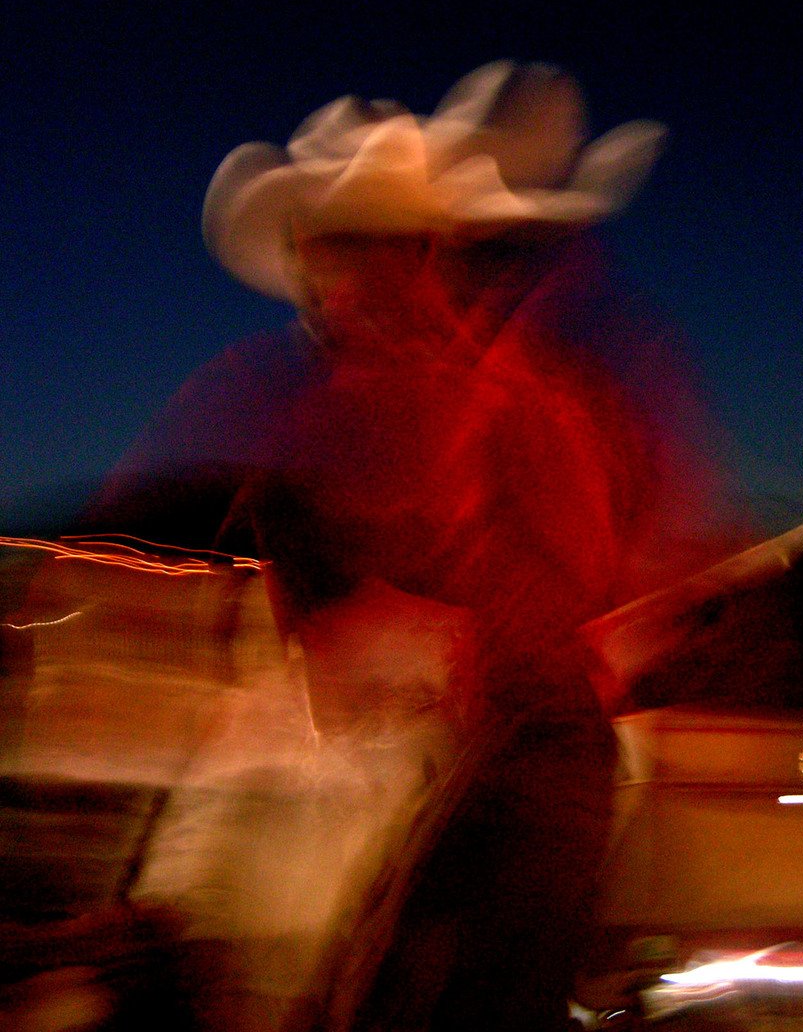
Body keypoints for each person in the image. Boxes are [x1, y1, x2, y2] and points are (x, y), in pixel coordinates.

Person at [85, 62, 746, 1030]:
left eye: (376, 252)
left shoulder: (514, 398)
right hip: (437, 758)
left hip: (515, 750)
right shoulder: (315, 397)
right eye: (328, 255)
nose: (343, 283)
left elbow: (566, 598)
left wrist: (424, 635)